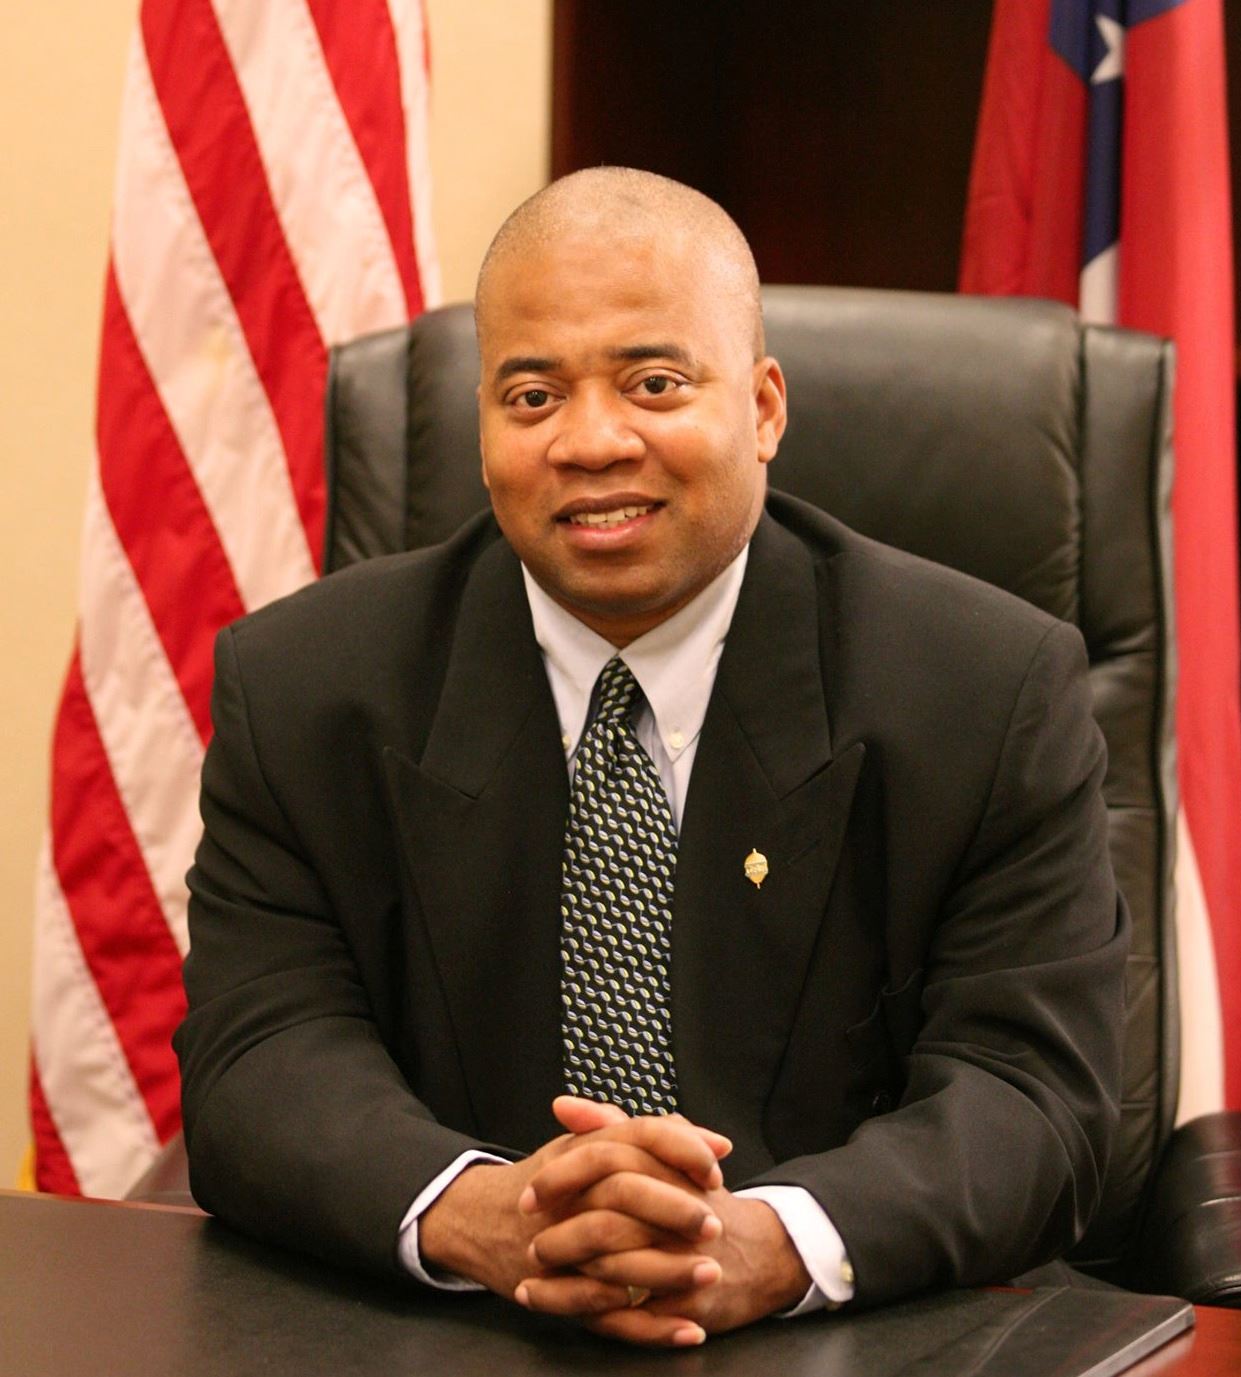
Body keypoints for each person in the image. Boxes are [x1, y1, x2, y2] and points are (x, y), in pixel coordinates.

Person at [176, 167, 1128, 1348]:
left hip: (856, 1337)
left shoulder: (987, 690)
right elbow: (259, 1058)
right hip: (457, 1336)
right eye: (532, 397)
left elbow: (1033, 1094)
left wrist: (766, 1243)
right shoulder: (303, 688)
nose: (591, 441)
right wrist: (492, 1217)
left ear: (764, 408)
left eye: (654, 383)